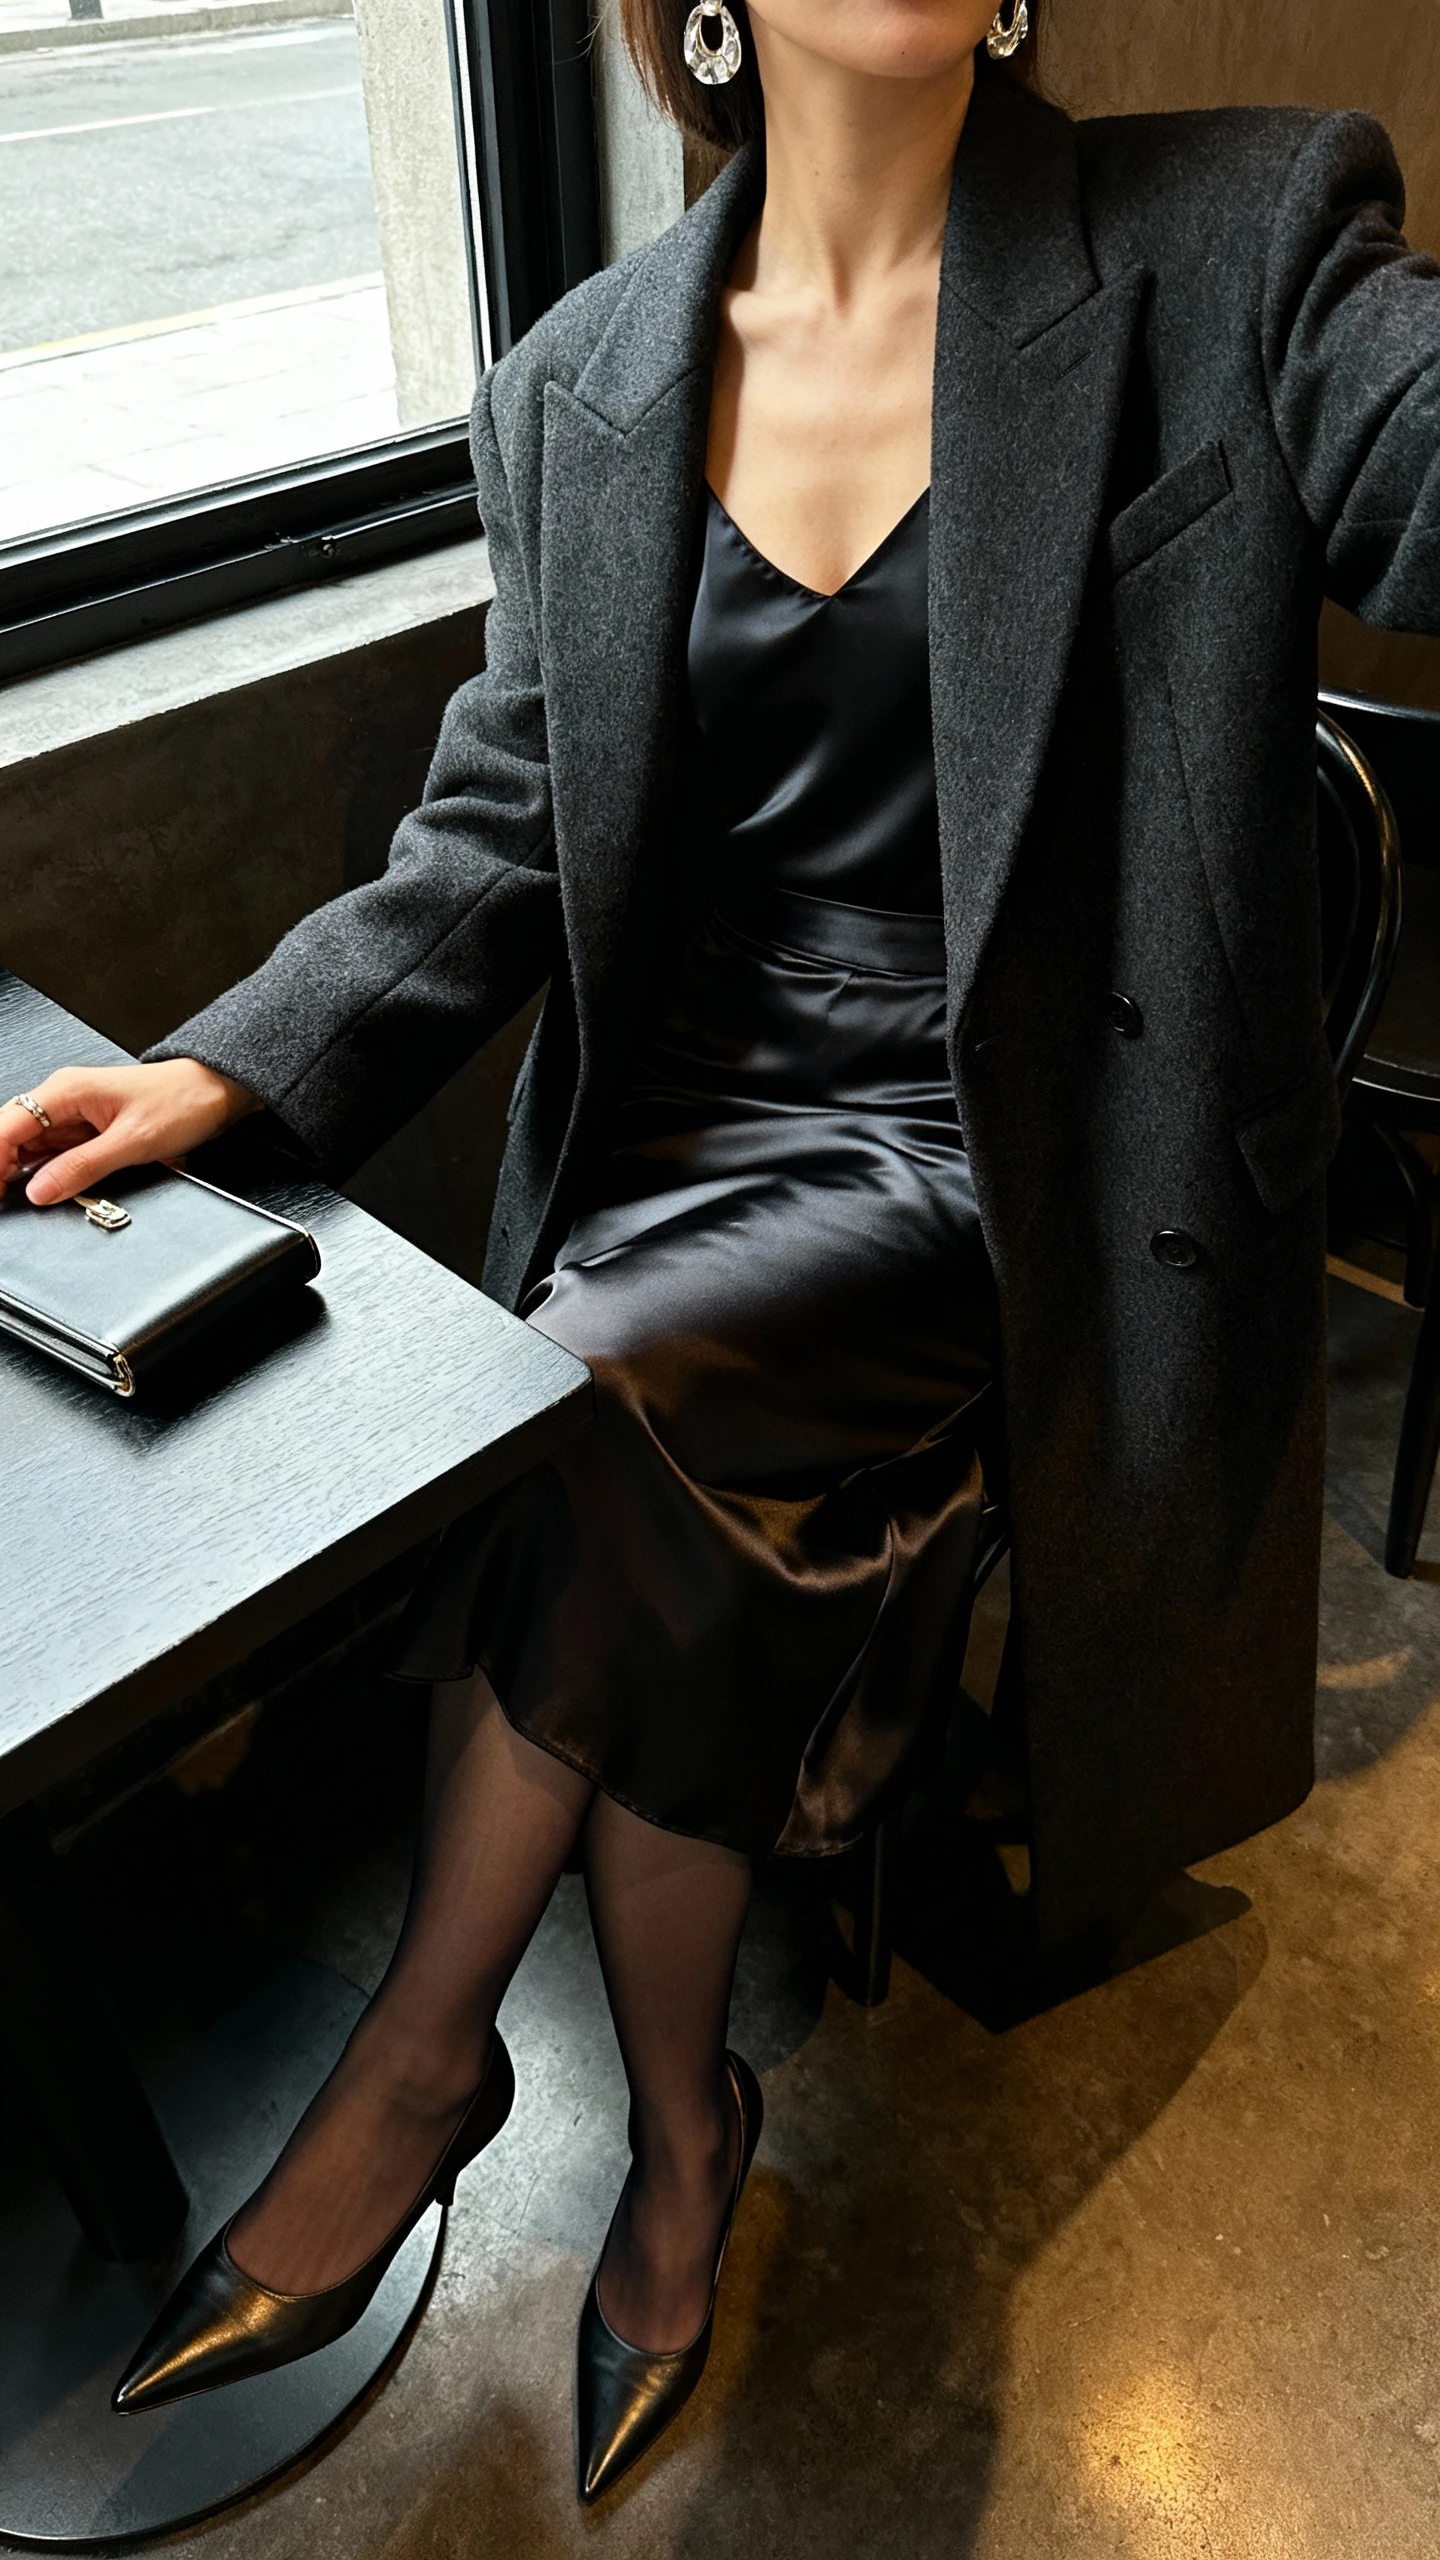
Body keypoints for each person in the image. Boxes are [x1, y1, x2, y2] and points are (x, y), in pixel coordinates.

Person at [5, 0, 1440, 2504]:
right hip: (684, 1132)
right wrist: (229, 1063)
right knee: (633, 1469)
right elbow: (501, 826)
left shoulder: (1241, 238)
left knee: (594, 1408)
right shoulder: (578, 377)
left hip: (994, 1150)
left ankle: (419, 2062)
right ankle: (685, 2140)